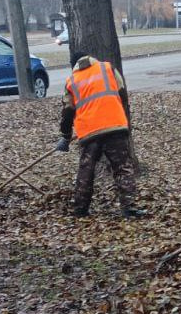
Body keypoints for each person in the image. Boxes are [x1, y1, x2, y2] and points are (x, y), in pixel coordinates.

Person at [55, 52, 147, 219]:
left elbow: (67, 111)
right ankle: (129, 208)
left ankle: (80, 209)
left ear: (74, 64)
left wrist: (66, 135)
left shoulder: (72, 81)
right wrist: (120, 112)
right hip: (115, 126)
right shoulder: (107, 68)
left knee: (86, 171)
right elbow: (122, 92)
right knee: (122, 168)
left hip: (89, 132)